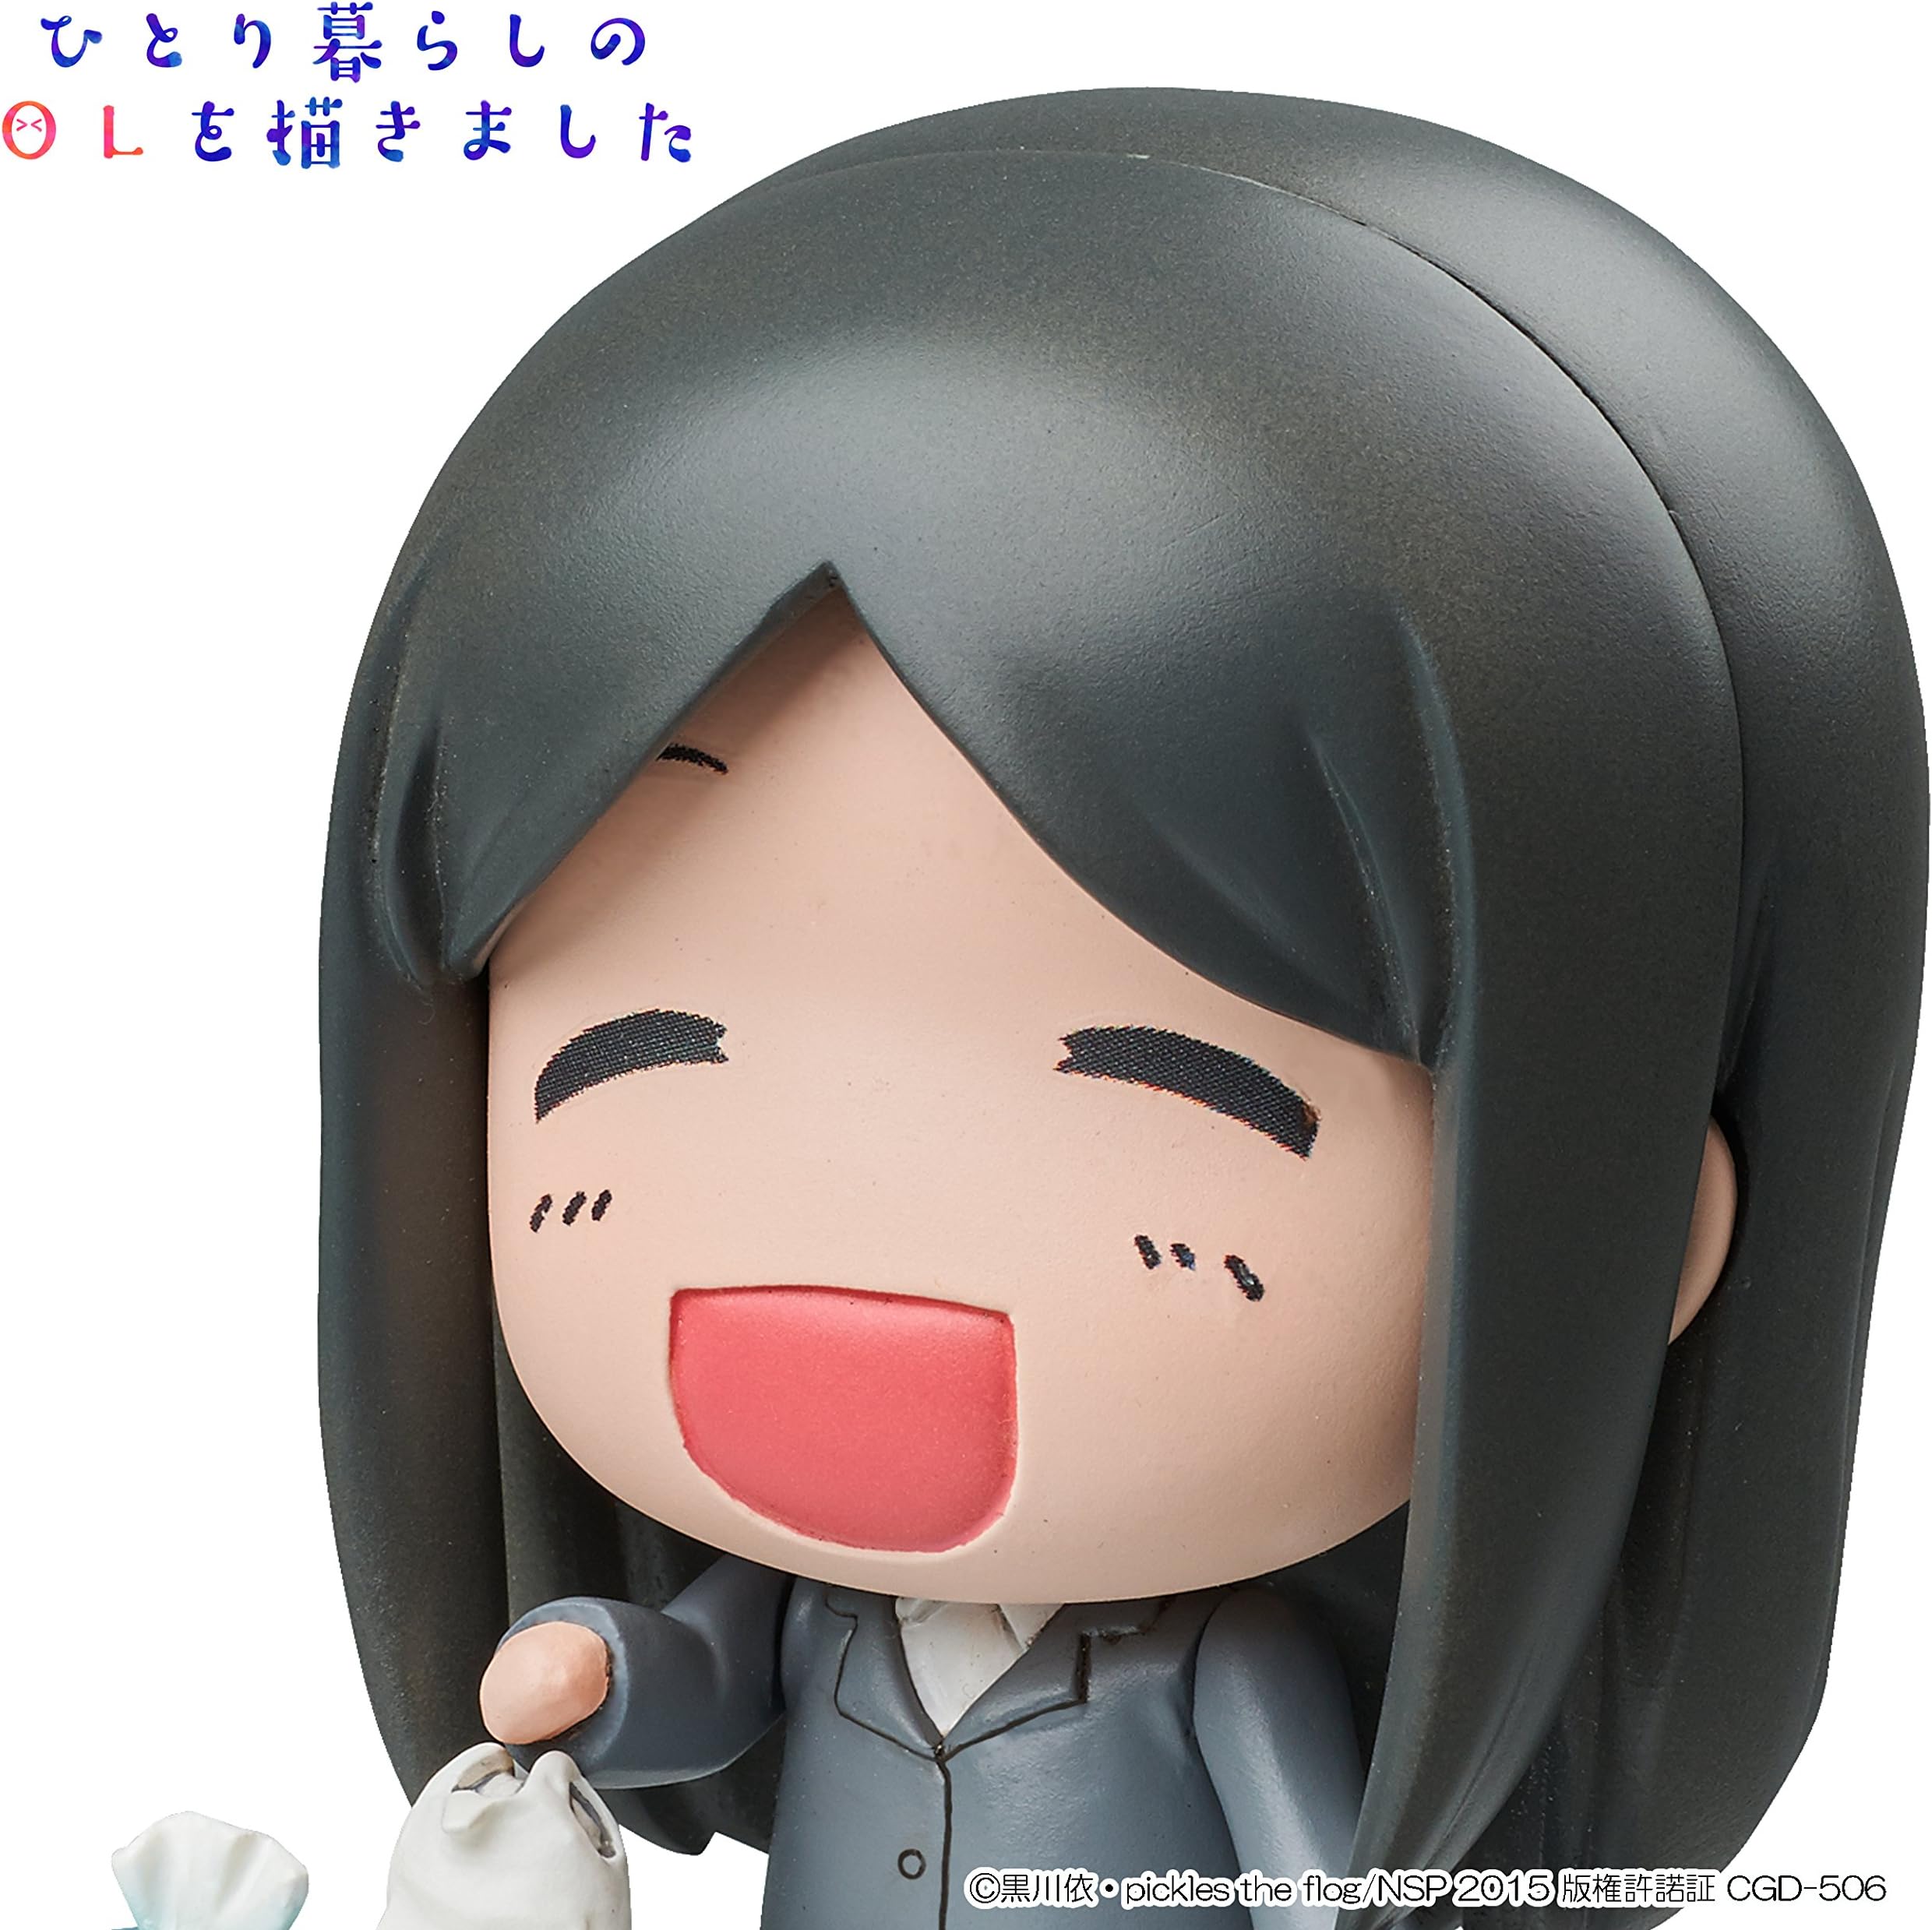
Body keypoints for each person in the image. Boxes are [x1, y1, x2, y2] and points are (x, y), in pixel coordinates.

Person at [319, 90, 1924, 1928]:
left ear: (1641, 1231)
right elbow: (696, 1682)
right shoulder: (817, 1617)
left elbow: (1316, 1879)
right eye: (634, 1056)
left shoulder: (1215, 1667)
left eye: (1179, 1080)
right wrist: (598, 1673)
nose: (858, 1219)